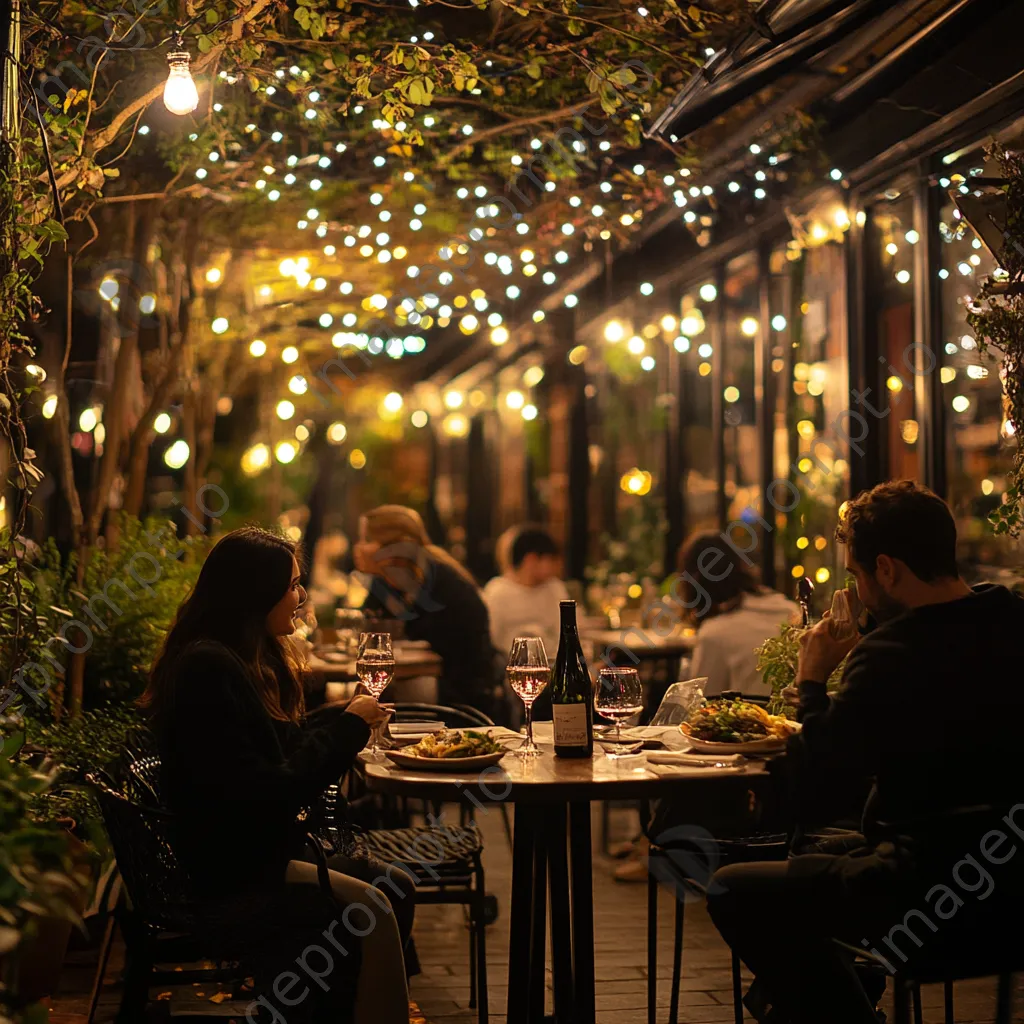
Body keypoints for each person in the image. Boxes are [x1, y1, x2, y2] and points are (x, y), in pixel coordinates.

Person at [706, 481, 1024, 1024]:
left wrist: (812, 681)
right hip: (1012, 890)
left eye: (855, 574)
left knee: (733, 888)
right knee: (828, 851)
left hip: (926, 894)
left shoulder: (888, 655)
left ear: (887, 569)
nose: (856, 587)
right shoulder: (1013, 620)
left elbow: (815, 790)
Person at [141, 527, 415, 1024]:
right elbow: (272, 790)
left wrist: (338, 717)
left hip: (253, 854)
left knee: (392, 882)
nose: (301, 596)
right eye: (292, 585)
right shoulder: (209, 668)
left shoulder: (228, 657)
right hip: (240, 874)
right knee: (384, 892)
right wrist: (348, 729)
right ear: (255, 593)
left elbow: (268, 748)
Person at [353, 505, 497, 717]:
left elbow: (457, 656)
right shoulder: (383, 584)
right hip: (413, 690)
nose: (357, 547)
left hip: (460, 703)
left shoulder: (441, 582)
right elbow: (367, 635)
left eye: (366, 540)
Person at [677, 531, 799, 698]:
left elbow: (701, 704)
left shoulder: (713, 633)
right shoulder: (789, 610)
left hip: (750, 721)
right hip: (795, 720)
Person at [483, 525, 569, 659]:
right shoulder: (498, 591)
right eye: (551, 560)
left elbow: (566, 633)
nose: (557, 566)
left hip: (551, 665)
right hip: (510, 668)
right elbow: (490, 640)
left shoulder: (554, 588)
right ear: (531, 559)